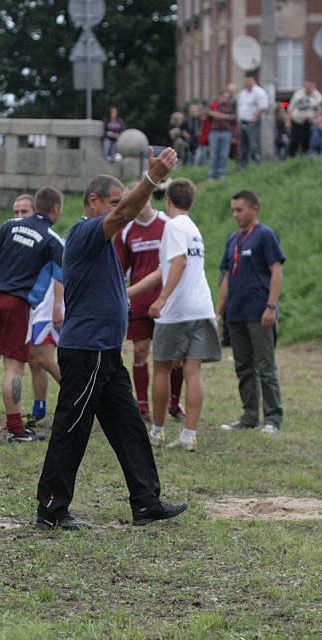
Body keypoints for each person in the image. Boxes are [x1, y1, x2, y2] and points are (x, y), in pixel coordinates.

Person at [35, 150, 188, 530]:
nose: (122, 210)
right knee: (72, 429)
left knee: (129, 427)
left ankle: (146, 502)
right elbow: (124, 215)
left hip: (105, 353)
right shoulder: (86, 231)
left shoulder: (103, 244)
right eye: (115, 202)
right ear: (95, 202)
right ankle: (52, 510)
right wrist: (151, 179)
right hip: (85, 351)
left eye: (121, 202)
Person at [0, 187, 65, 443]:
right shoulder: (52, 239)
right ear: (56, 210)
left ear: (35, 205)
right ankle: (16, 428)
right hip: (16, 304)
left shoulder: (9, 226)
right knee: (14, 366)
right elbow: (65, 274)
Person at [127, 179, 221, 451]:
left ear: (168, 200)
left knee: (162, 368)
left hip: (178, 310)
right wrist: (129, 293)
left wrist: (163, 298)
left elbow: (178, 262)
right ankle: (189, 435)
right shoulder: (193, 228)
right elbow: (163, 270)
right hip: (201, 307)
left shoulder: (172, 226)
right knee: (193, 371)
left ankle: (156, 432)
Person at [215, 190, 285, 432]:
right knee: (243, 366)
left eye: (240, 209)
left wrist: (271, 306)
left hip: (259, 312)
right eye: (233, 210)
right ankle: (249, 416)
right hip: (236, 313)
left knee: (265, 366)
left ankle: (273, 418)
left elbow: (276, 271)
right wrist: (219, 311)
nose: (235, 214)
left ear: (255, 209)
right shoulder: (232, 239)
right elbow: (225, 278)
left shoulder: (265, 235)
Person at [114, 185, 185, 422]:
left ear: (148, 197)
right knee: (140, 352)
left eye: (139, 196)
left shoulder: (168, 223)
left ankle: (174, 404)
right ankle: (142, 406)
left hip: (168, 300)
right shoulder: (125, 232)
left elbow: (180, 261)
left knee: (174, 356)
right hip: (140, 301)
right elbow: (118, 269)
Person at [14, 194, 64, 428]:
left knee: (42, 357)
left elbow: (59, 274)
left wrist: (57, 307)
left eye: (24, 212)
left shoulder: (47, 238)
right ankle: (39, 408)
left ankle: (82, 398)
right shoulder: (18, 236)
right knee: (34, 361)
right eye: (16, 212)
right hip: (29, 306)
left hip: (46, 307)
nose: (19, 216)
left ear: (35, 212)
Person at [237, 75, 268, 169]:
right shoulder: (243, 93)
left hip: (253, 122)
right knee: (243, 145)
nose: (247, 83)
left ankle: (259, 164)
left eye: (249, 81)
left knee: (254, 143)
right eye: (246, 81)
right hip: (243, 121)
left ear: (253, 80)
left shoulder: (259, 92)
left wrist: (255, 117)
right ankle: (243, 165)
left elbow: (262, 107)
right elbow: (240, 107)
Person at [207, 84, 237, 179]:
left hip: (226, 132)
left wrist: (220, 116)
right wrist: (224, 116)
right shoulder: (214, 105)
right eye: (224, 96)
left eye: (227, 97)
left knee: (224, 154)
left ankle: (222, 173)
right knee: (214, 154)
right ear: (220, 96)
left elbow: (233, 117)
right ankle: (212, 174)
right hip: (214, 132)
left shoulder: (230, 106)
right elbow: (209, 114)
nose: (226, 99)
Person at [288, 79, 322, 156]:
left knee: (306, 142)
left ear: (314, 86)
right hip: (296, 121)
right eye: (306, 86)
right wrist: (288, 121)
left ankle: (304, 159)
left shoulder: (318, 97)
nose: (308, 88)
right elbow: (290, 108)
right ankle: (290, 159)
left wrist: (313, 117)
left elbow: (319, 111)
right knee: (293, 141)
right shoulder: (298, 94)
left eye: (310, 86)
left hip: (308, 122)